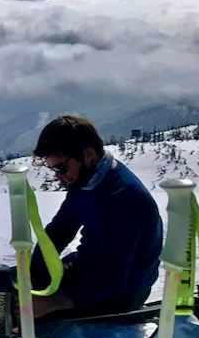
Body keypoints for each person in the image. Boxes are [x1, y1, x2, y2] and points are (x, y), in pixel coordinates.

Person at [26, 114, 162, 320]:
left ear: (88, 154)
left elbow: (112, 278)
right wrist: (34, 272)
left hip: (122, 293)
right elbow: (61, 229)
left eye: (61, 167)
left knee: (19, 309)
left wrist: (53, 302)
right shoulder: (87, 179)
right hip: (93, 270)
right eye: (53, 169)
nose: (58, 176)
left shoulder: (121, 197)